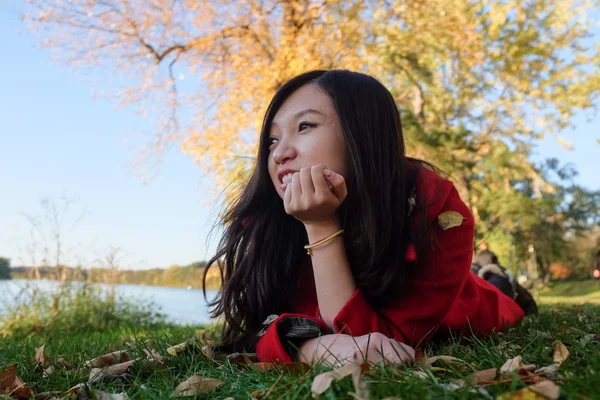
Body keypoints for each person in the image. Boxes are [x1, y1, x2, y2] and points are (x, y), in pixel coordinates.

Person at [203, 70, 527, 366]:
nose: (279, 153)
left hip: (473, 305)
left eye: (305, 126)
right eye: (272, 139)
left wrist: (320, 225)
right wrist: (308, 347)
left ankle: (501, 280)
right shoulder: (267, 222)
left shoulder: (436, 210)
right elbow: (260, 327)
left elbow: (380, 346)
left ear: (362, 132)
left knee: (496, 290)